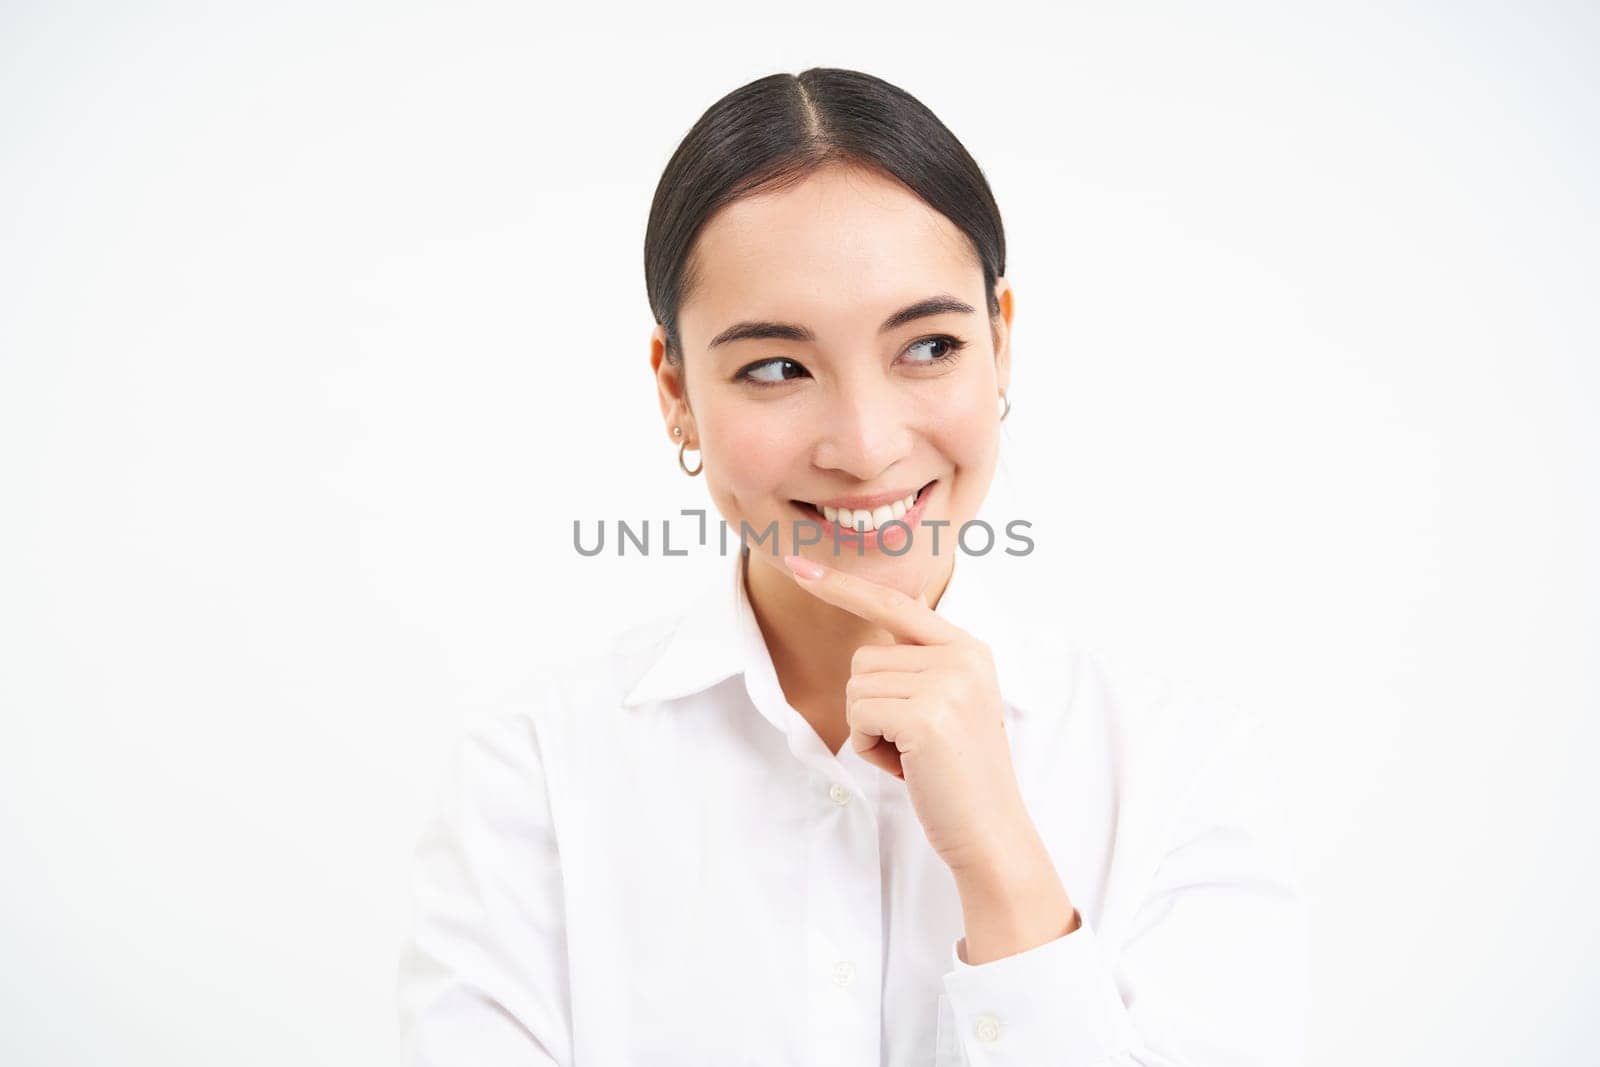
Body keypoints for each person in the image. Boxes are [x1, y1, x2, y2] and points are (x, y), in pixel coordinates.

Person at [396, 67, 1308, 1065]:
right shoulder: (533, 775)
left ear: (999, 343)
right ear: (676, 392)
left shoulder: (1177, 770)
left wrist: (1001, 862)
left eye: (928, 345)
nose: (866, 445)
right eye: (776, 367)